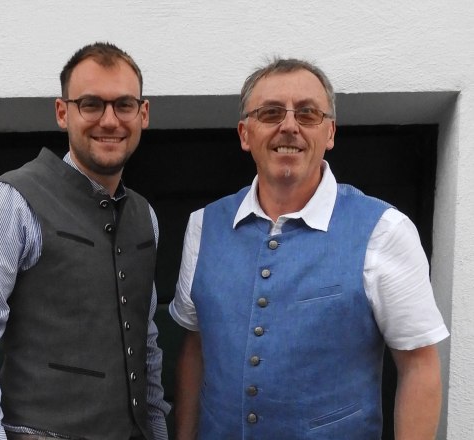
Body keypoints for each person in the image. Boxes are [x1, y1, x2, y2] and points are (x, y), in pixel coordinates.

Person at [170, 58, 449, 439]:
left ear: (330, 132)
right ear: (245, 134)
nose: (289, 126)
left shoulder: (385, 230)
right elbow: (196, 346)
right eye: (270, 113)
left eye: (308, 113)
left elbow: (419, 365)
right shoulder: (204, 226)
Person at [0, 42, 170, 440]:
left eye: (124, 105)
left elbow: (145, 340)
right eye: (91, 104)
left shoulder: (144, 216)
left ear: (143, 114)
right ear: (63, 113)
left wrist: (157, 430)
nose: (110, 120)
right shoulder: (11, 201)